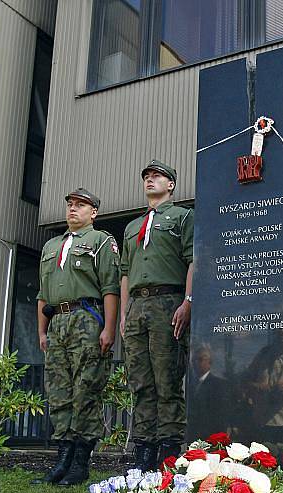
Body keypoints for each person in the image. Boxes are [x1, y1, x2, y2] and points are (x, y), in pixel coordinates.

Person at [32, 188, 120, 486]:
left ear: (93, 212)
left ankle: (80, 461)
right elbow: (43, 293)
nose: (73, 209)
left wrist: (109, 328)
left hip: (86, 318)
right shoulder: (51, 246)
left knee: (85, 389)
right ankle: (62, 459)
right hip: (57, 322)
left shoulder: (100, 241)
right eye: (70, 204)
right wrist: (42, 330)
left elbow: (110, 287)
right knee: (59, 391)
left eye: (80, 205)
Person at [120, 160, 194, 471]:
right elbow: (124, 273)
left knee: (167, 377)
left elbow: (194, 261)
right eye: (147, 176)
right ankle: (144, 448)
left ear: (171, 185)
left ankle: (168, 449)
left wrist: (188, 301)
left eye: (157, 176)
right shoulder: (132, 227)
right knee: (141, 380)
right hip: (137, 305)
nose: (150, 180)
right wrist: (125, 314)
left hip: (168, 301)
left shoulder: (182, 217)